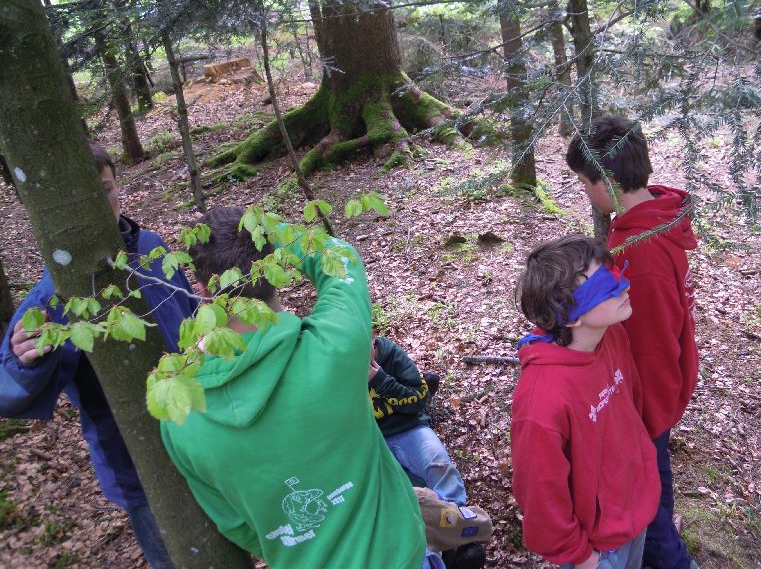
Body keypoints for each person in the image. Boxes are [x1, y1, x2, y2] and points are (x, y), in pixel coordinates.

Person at [160, 207, 438, 569]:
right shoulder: (335, 346)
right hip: (397, 554)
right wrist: (266, 228)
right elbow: (339, 256)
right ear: (275, 266)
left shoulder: (180, 414)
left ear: (202, 291)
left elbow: (235, 524)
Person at [0, 141, 197, 569]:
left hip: (203, 438)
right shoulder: (55, 293)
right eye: (86, 195)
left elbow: (193, 317)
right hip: (138, 466)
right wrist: (26, 359)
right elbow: (7, 393)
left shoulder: (151, 247)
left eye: (105, 189)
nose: (99, 204)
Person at [566, 115, 699, 569]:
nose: (585, 192)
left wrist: (643, 414)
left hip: (646, 397)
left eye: (585, 183)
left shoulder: (641, 247)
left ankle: (673, 560)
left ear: (608, 180)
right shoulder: (653, 218)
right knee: (655, 479)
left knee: (648, 501)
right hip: (651, 392)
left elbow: (654, 342)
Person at [512, 235, 660, 569]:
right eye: (605, 285)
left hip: (635, 512)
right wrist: (583, 558)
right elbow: (540, 494)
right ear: (570, 317)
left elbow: (632, 407)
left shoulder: (612, 336)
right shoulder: (541, 401)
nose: (624, 285)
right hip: (597, 549)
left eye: (614, 272)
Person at [369, 335, 486, 569]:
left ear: (372, 339)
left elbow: (419, 399)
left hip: (408, 427)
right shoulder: (340, 366)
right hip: (371, 439)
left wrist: (380, 380)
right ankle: (423, 553)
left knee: (438, 464)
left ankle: (456, 526)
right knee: (389, 492)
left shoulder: (391, 354)